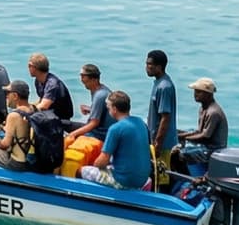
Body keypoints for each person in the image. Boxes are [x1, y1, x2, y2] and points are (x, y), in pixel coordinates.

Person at [80, 92, 153, 190]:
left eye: (108, 107)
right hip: (142, 179)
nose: (108, 110)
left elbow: (102, 161)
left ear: (114, 109)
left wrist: (94, 163)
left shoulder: (115, 129)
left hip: (124, 181)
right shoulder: (141, 123)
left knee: (82, 170)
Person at [0, 79, 42, 172]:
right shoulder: (35, 110)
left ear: (15, 96)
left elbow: (5, 145)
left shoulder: (13, 116)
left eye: (7, 93)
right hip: (33, 162)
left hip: (18, 163)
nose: (6, 96)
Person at [172, 77, 229, 172]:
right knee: (179, 135)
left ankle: (185, 178)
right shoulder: (203, 109)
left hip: (213, 150)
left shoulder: (213, 112)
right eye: (195, 91)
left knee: (177, 155)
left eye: (199, 92)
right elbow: (199, 131)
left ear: (208, 94)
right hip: (205, 145)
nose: (195, 94)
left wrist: (184, 138)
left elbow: (205, 136)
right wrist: (178, 134)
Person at [144, 48, 177, 178]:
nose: (147, 67)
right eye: (146, 64)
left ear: (159, 66)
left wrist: (158, 143)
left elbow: (165, 117)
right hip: (155, 138)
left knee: (161, 175)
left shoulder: (164, 87)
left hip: (163, 142)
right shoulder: (158, 83)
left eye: (149, 64)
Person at [21, 53, 73, 122]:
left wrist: (26, 112)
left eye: (29, 66)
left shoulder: (52, 84)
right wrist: (25, 107)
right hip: (49, 115)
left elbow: (43, 106)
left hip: (61, 119)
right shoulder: (38, 81)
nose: (28, 68)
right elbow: (41, 101)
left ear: (34, 67)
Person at [68, 63, 110, 144]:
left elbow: (94, 123)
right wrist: (90, 109)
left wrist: (73, 134)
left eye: (83, 76)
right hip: (99, 130)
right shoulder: (100, 89)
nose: (81, 79)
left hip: (99, 134)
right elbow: (103, 111)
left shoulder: (99, 95)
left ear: (94, 79)